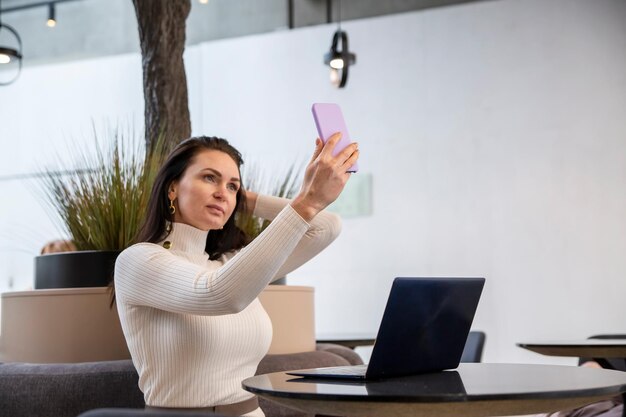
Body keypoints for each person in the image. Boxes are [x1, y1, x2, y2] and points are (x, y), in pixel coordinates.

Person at [114, 134, 359, 416]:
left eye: (232, 186)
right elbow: (220, 294)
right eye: (209, 178)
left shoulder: (228, 263)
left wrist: (245, 200)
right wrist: (306, 201)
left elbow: (326, 226)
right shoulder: (138, 261)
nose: (222, 192)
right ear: (172, 187)